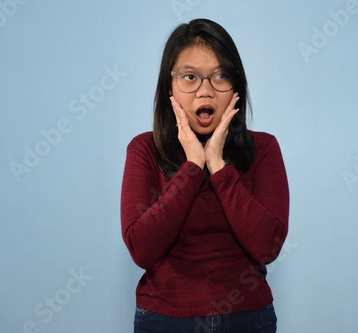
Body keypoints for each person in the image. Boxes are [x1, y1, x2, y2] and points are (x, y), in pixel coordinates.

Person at [121, 18, 289, 333]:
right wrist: (193, 167)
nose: (205, 91)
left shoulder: (264, 149)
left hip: (248, 318)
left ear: (237, 86)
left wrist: (218, 166)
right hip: (163, 320)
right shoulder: (144, 149)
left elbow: (268, 247)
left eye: (220, 76)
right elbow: (141, 250)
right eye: (190, 77)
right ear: (168, 86)